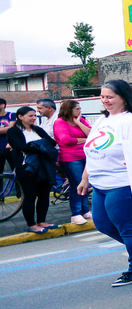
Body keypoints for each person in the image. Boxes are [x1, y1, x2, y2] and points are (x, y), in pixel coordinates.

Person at [78, 80, 132, 285]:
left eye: (110, 97)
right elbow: (92, 151)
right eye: (102, 96)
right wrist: (85, 178)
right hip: (99, 184)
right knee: (103, 224)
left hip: (122, 184)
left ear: (124, 97)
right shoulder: (102, 120)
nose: (105, 101)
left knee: (127, 228)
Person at [7, 106, 57, 234]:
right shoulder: (14, 131)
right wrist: (40, 146)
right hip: (26, 167)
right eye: (30, 115)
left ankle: (42, 221)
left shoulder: (38, 129)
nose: (34, 118)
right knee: (30, 195)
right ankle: (31, 224)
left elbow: (51, 143)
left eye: (35, 115)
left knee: (44, 195)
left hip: (44, 166)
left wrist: (33, 146)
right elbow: (22, 147)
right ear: (20, 116)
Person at [53, 99, 92, 224]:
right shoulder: (60, 122)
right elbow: (66, 140)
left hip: (85, 156)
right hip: (70, 158)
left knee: (85, 183)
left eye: (80, 108)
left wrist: (79, 123)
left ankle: (85, 210)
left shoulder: (81, 120)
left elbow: (92, 135)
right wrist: (84, 140)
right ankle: (76, 213)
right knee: (77, 183)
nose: (80, 111)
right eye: (77, 109)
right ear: (69, 110)